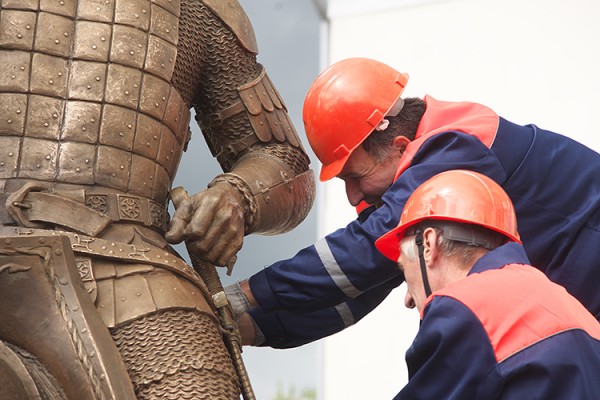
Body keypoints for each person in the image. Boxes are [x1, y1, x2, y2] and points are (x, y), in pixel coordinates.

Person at [0, 1, 315, 399]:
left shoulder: (200, 11)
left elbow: (284, 158)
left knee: (198, 388)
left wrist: (238, 195)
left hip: (130, 264)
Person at [225, 57, 600, 348]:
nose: (354, 196)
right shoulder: (432, 166)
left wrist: (246, 293)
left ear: (399, 148)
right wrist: (254, 327)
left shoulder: (453, 145)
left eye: (355, 177)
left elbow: (364, 252)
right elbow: (359, 287)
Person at [375, 169, 600, 399]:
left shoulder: (462, 308)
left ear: (429, 243)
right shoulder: (571, 307)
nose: (408, 299)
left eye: (404, 268)